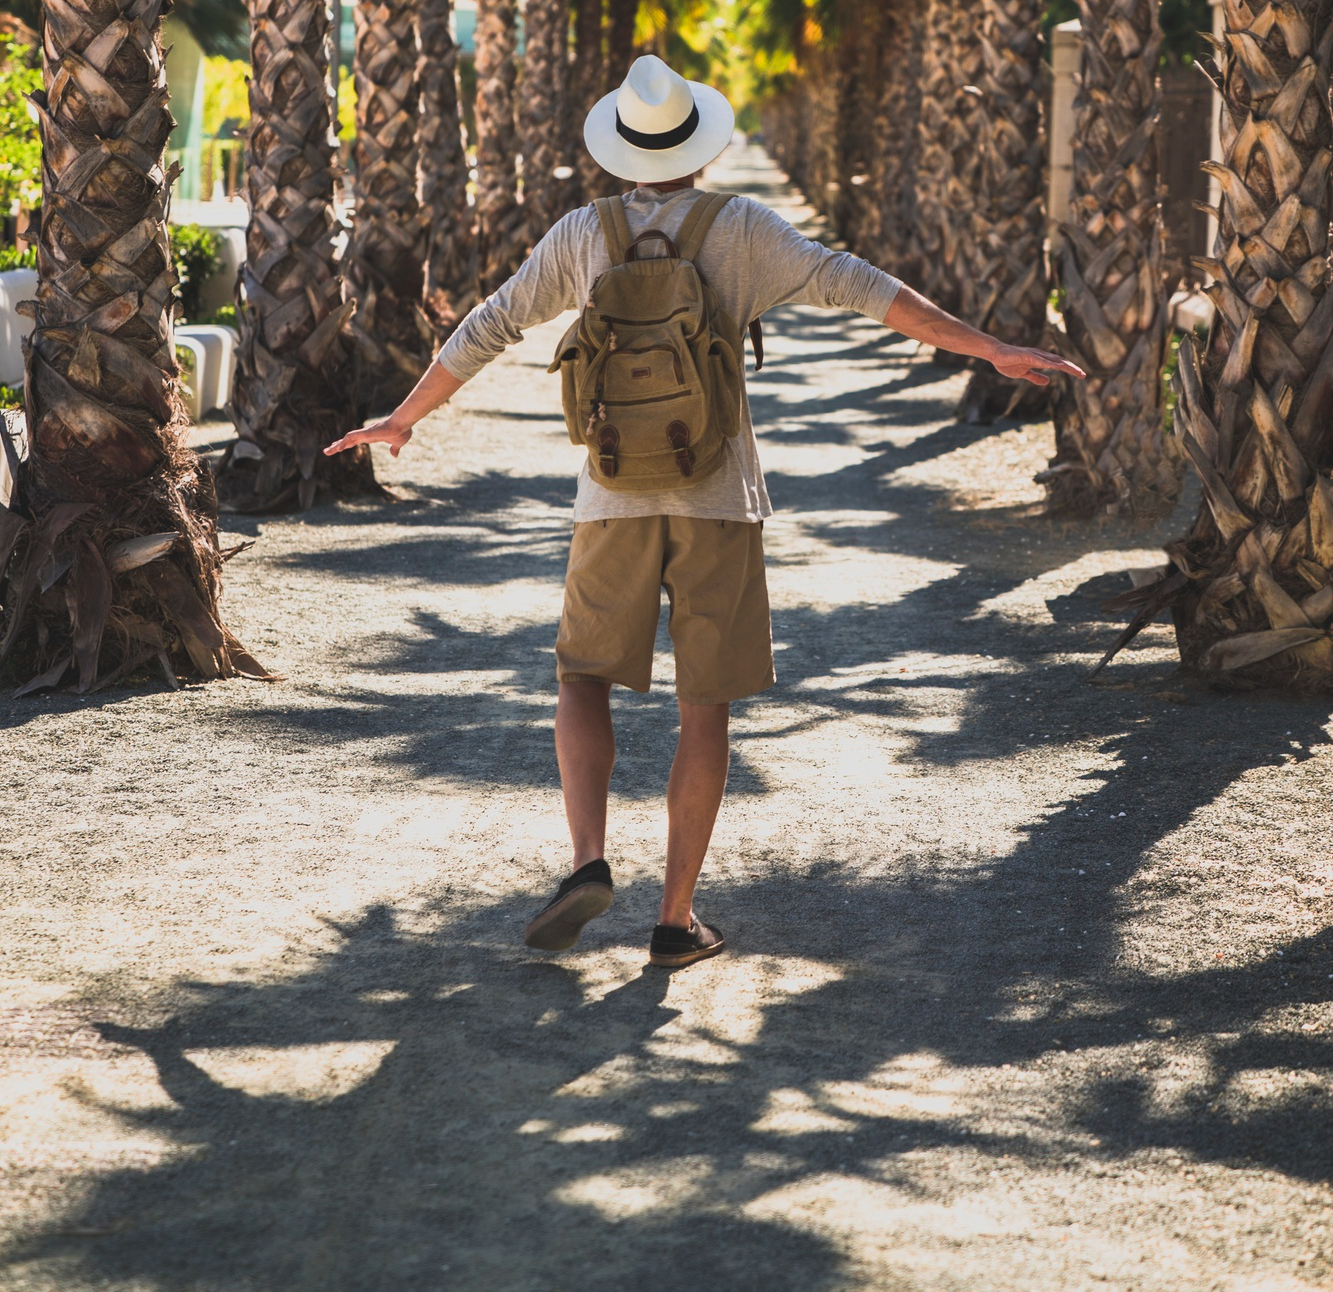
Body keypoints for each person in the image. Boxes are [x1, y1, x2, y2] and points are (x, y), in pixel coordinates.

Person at [327, 56, 1083, 969]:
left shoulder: (581, 233)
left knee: (580, 677)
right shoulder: (742, 228)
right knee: (703, 707)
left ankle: (586, 862)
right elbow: (862, 287)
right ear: (697, 147)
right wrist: (990, 347)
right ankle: (675, 920)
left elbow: (490, 323)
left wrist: (404, 418)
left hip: (610, 494)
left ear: (621, 149)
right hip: (718, 495)